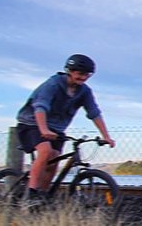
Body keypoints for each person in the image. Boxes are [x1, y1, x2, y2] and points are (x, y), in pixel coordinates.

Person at [15, 54, 116, 199]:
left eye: (87, 74)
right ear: (69, 70)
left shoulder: (84, 91)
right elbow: (40, 107)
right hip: (32, 123)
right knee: (45, 151)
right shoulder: (53, 84)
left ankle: (42, 196)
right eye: (80, 73)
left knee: (54, 159)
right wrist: (44, 129)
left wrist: (106, 136)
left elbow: (94, 113)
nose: (83, 77)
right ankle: (31, 194)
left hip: (56, 129)